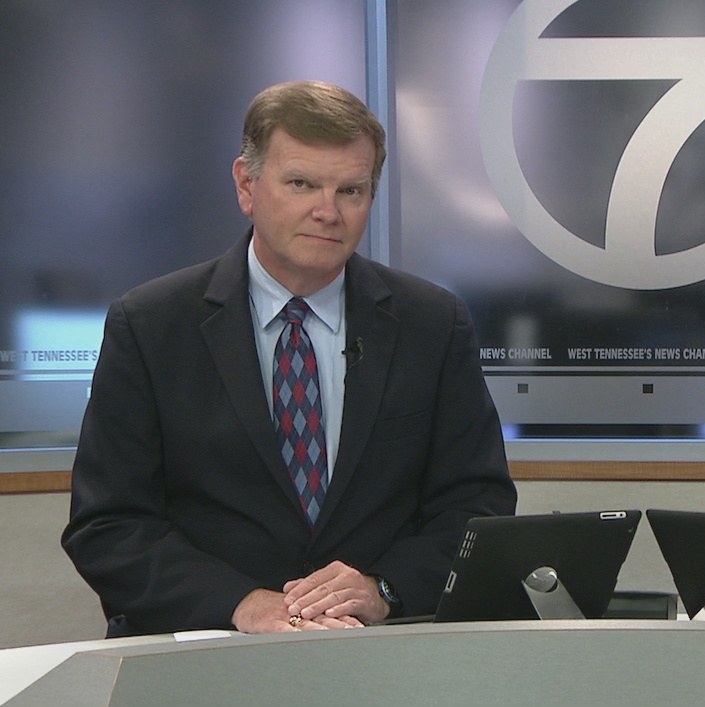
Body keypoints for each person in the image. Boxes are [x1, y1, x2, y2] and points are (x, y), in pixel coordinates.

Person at [62, 80, 517, 637]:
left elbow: (477, 507)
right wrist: (241, 603)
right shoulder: (151, 325)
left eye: (351, 191)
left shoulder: (433, 323)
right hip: (208, 650)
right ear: (246, 186)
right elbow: (108, 525)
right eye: (302, 184)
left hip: (379, 651)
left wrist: (384, 589)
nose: (327, 212)